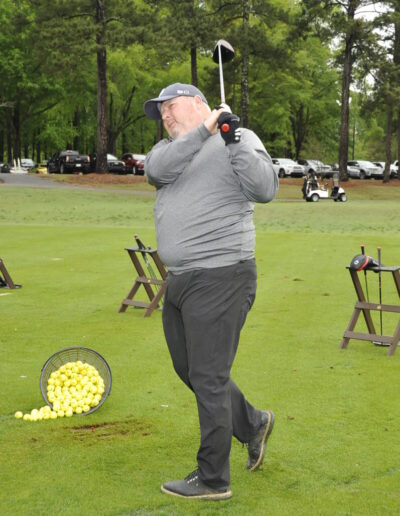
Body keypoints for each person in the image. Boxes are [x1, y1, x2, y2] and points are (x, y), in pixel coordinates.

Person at [143, 83, 279, 501]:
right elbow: (156, 172)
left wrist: (231, 139)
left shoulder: (238, 138)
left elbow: (265, 189)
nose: (164, 115)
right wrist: (203, 130)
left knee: (208, 376)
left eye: (170, 106)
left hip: (222, 274)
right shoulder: (167, 150)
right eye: (160, 111)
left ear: (199, 102)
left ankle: (214, 478)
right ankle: (253, 423)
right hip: (179, 280)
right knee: (190, 369)